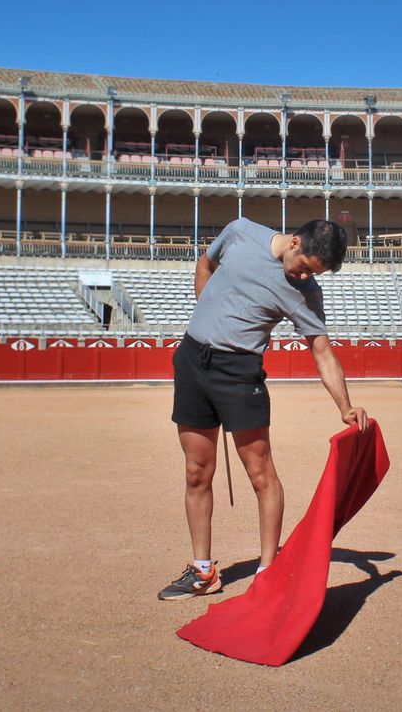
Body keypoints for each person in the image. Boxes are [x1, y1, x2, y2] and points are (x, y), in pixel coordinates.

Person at [157, 218, 368, 601]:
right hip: (192, 361)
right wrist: (206, 305)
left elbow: (323, 352)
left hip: (239, 374)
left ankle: (268, 572)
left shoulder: (306, 293)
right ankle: (202, 572)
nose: (305, 277)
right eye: (305, 266)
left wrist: (345, 407)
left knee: (260, 474)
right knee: (195, 471)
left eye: (314, 274)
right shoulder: (239, 232)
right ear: (293, 242)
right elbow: (206, 262)